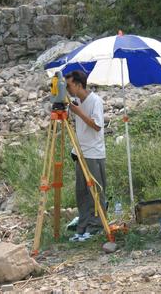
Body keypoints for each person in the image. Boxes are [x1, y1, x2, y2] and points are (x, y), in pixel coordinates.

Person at [65, 70, 106, 242]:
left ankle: (96, 226)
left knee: (95, 192)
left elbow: (97, 126)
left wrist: (78, 112)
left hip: (93, 153)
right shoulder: (75, 101)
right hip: (80, 152)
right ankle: (82, 227)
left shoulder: (94, 101)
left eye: (69, 85)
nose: (67, 89)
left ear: (78, 84)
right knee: (81, 192)